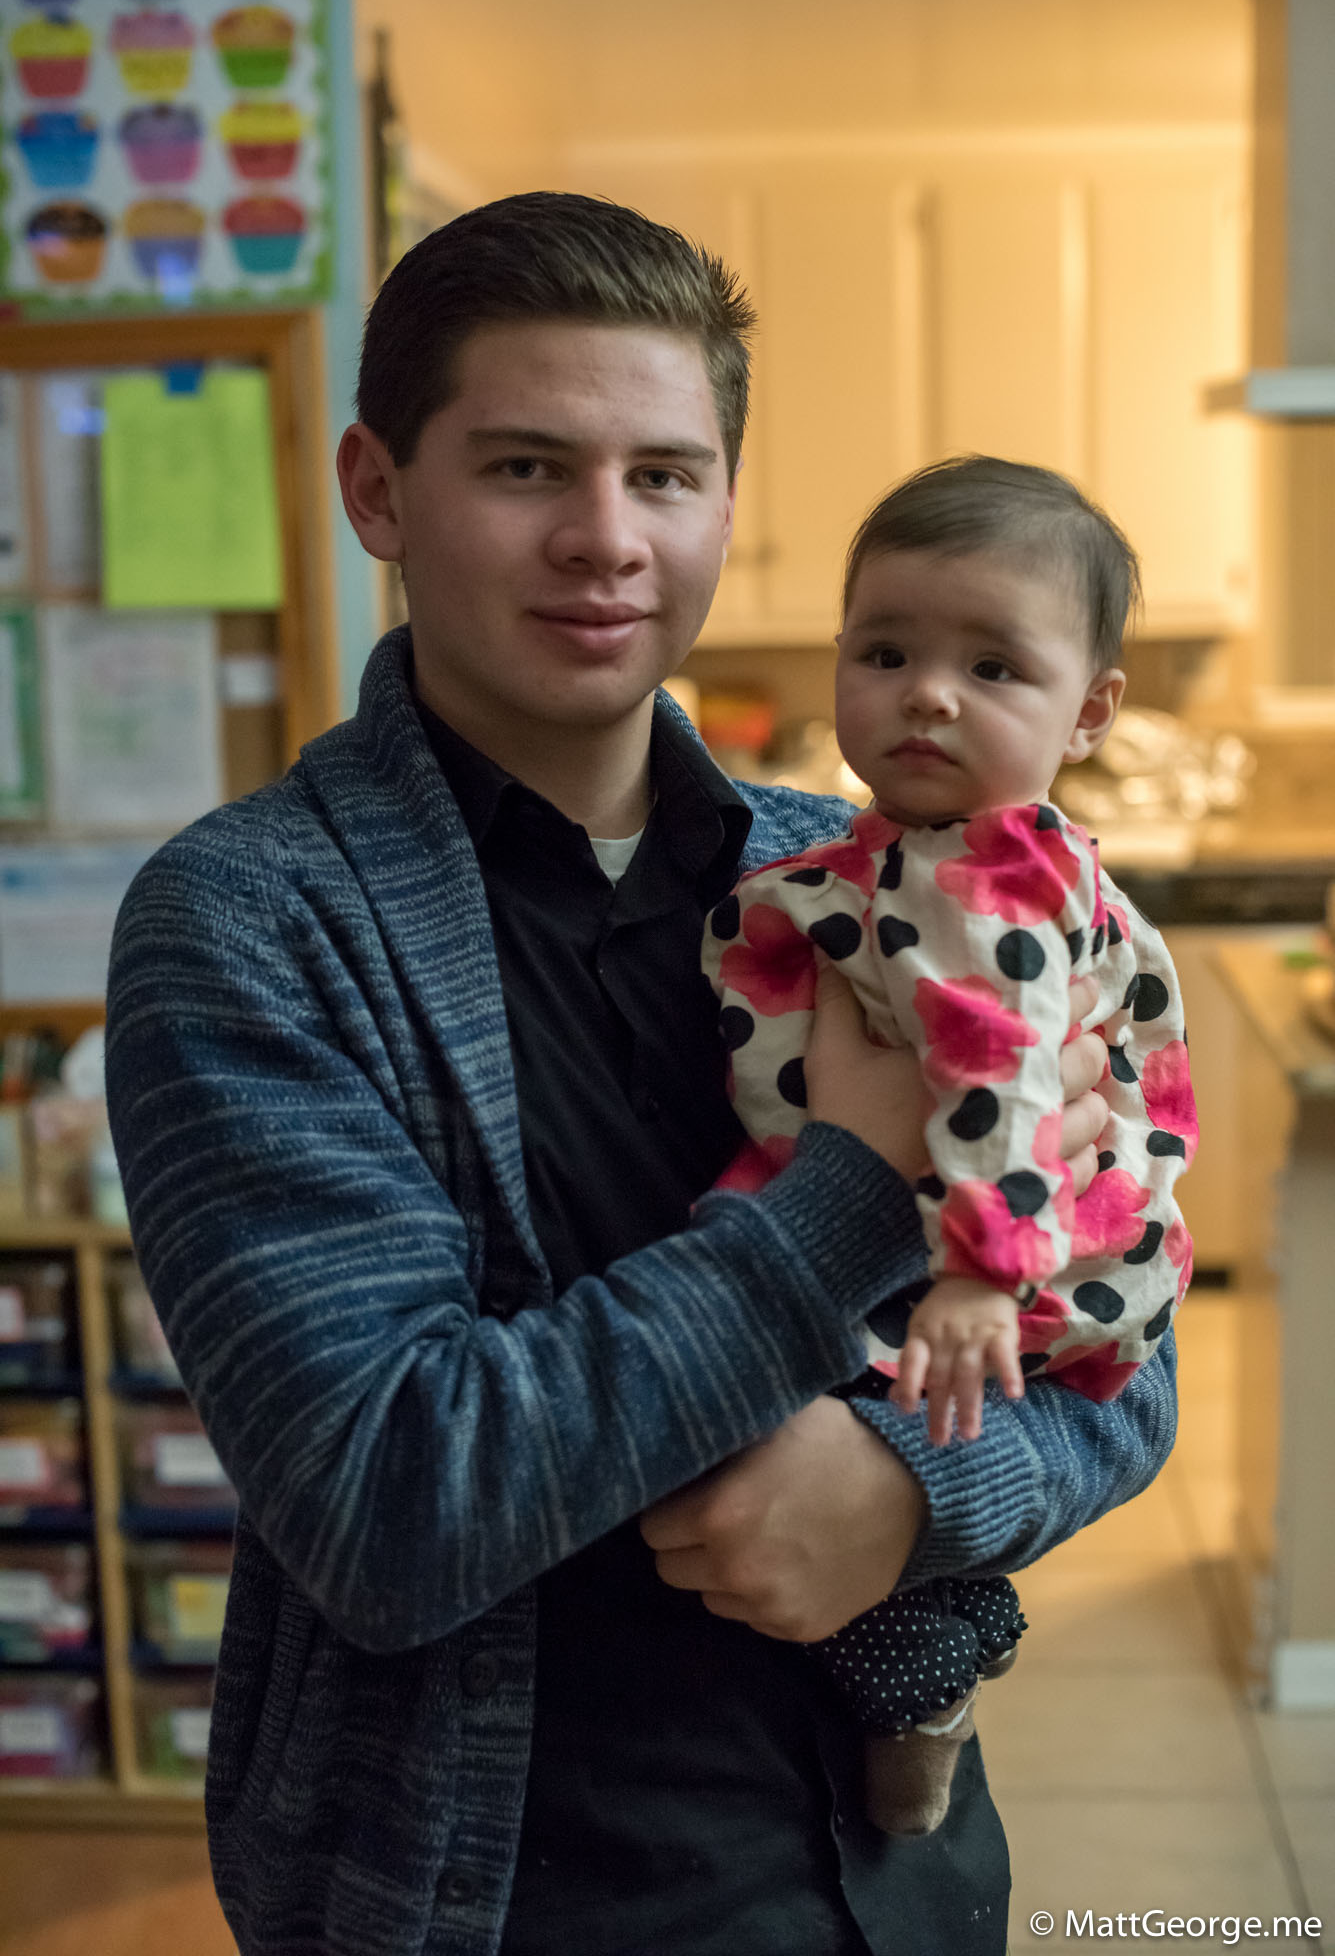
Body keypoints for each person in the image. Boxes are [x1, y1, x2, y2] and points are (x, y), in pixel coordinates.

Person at [104, 193, 1177, 1956]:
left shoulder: (892, 871)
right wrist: (853, 1185)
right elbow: (387, 1501)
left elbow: (1125, 1348)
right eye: (528, 469)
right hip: (506, 1892)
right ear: (378, 490)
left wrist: (913, 1498)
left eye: (665, 476)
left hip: (898, 1878)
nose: (607, 541)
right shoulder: (253, 922)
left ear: (728, 510)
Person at [703, 455, 1197, 1836]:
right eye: (888, 650)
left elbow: (1009, 1074)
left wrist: (985, 1271)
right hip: (970, 1230)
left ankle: (923, 1669)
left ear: (1089, 713)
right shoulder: (897, 853)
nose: (928, 691)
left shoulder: (997, 883)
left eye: (993, 666)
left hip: (998, 1248)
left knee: (827, 1427)